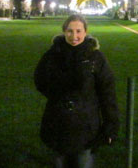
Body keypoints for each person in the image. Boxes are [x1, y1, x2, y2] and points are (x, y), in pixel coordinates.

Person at [34, 14, 119, 168]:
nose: (74, 36)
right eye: (70, 31)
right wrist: (58, 95)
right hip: (59, 122)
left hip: (85, 125)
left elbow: (107, 94)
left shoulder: (96, 58)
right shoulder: (52, 55)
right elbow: (40, 81)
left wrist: (110, 126)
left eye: (78, 31)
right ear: (64, 32)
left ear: (85, 32)